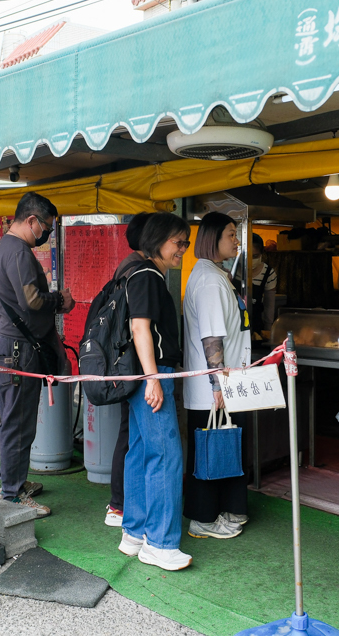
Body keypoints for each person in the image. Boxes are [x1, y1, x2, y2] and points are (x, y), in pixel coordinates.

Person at [117, 211, 193, 571]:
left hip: (138, 375)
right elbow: (140, 328)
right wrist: (154, 378)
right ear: (158, 240)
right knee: (165, 454)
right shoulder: (148, 274)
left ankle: (134, 533)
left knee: (140, 451)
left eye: (186, 242)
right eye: (179, 242)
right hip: (151, 373)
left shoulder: (132, 270)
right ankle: (160, 543)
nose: (183, 249)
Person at [0, 192, 75, 517]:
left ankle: (15, 482)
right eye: (47, 227)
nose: (47, 234)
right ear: (31, 221)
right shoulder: (20, 253)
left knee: (17, 421)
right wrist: (59, 300)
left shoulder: (5, 248)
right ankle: (12, 493)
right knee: (18, 423)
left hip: (13, 348)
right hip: (18, 351)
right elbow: (31, 300)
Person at [182, 212, 250, 540]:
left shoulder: (216, 275)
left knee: (224, 445)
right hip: (216, 384)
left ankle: (225, 511)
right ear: (212, 238)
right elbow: (212, 337)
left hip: (224, 381)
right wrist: (217, 382)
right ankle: (204, 518)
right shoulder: (209, 279)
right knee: (214, 447)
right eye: (230, 234)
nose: (236, 240)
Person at [104, 212, 152, 528]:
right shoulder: (140, 271)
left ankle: (120, 503)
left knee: (129, 431)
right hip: (134, 364)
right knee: (131, 433)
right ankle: (120, 504)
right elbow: (138, 325)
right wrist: (151, 376)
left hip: (125, 363)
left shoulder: (126, 266)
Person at [249, 234, 278, 336]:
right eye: (248, 256)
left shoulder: (268, 273)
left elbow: (269, 305)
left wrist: (268, 330)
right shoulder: (232, 271)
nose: (251, 260)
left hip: (256, 325)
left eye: (255, 256)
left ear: (262, 254)